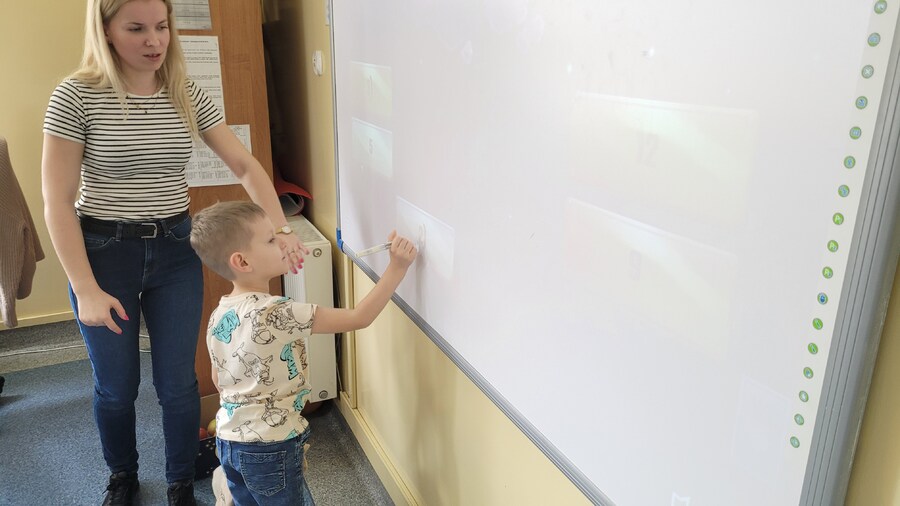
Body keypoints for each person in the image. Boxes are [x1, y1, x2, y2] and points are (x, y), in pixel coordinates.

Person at [40, 1, 308, 505]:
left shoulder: (184, 90)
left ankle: (181, 481)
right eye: (136, 28)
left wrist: (280, 229)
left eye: (161, 26)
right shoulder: (75, 96)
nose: (154, 40)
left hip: (174, 250)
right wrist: (85, 288)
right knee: (116, 385)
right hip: (103, 252)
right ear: (106, 30)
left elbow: (245, 165)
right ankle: (122, 476)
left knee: (179, 383)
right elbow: (57, 201)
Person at [189, 201, 417, 505]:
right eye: (271, 240)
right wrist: (397, 268)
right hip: (270, 447)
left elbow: (219, 380)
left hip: (229, 440)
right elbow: (358, 318)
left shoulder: (219, 314)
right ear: (242, 262)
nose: (283, 242)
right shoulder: (276, 312)